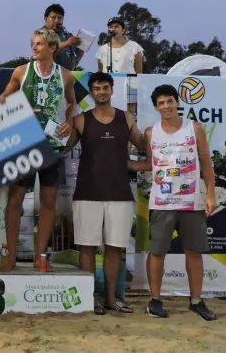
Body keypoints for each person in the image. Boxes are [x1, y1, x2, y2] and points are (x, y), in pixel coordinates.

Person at [128, 84, 217, 320]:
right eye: (161, 103)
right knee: (156, 253)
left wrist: (210, 194)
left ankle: (196, 301)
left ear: (178, 102)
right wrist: (121, 163)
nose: (166, 106)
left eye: (170, 101)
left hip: (192, 202)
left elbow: (206, 163)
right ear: (156, 108)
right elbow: (149, 164)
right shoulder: (150, 132)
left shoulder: (194, 128)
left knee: (194, 252)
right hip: (162, 203)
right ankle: (155, 300)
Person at [63, 72, 145, 314]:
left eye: (105, 87)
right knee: (87, 248)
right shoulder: (80, 120)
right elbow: (63, 148)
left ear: (112, 89)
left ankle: (111, 299)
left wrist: (164, 140)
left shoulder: (127, 118)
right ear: (91, 92)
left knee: (114, 248)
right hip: (87, 193)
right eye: (96, 88)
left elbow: (144, 145)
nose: (101, 92)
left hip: (120, 194)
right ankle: (90, 299)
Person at [0, 28, 77, 271]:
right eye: (33, 43)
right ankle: (10, 255)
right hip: (25, 144)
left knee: (49, 202)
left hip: (51, 145)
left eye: (39, 44)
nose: (34, 47)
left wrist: (70, 121)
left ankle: (40, 256)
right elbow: (2, 100)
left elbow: (72, 102)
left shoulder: (65, 76)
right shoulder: (21, 72)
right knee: (15, 201)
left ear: (52, 48)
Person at [42, 3, 83, 71]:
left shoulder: (68, 35)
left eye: (60, 18)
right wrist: (67, 43)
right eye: (53, 17)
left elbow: (78, 54)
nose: (57, 21)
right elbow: (45, 49)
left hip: (66, 76)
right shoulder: (40, 34)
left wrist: (81, 50)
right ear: (45, 19)